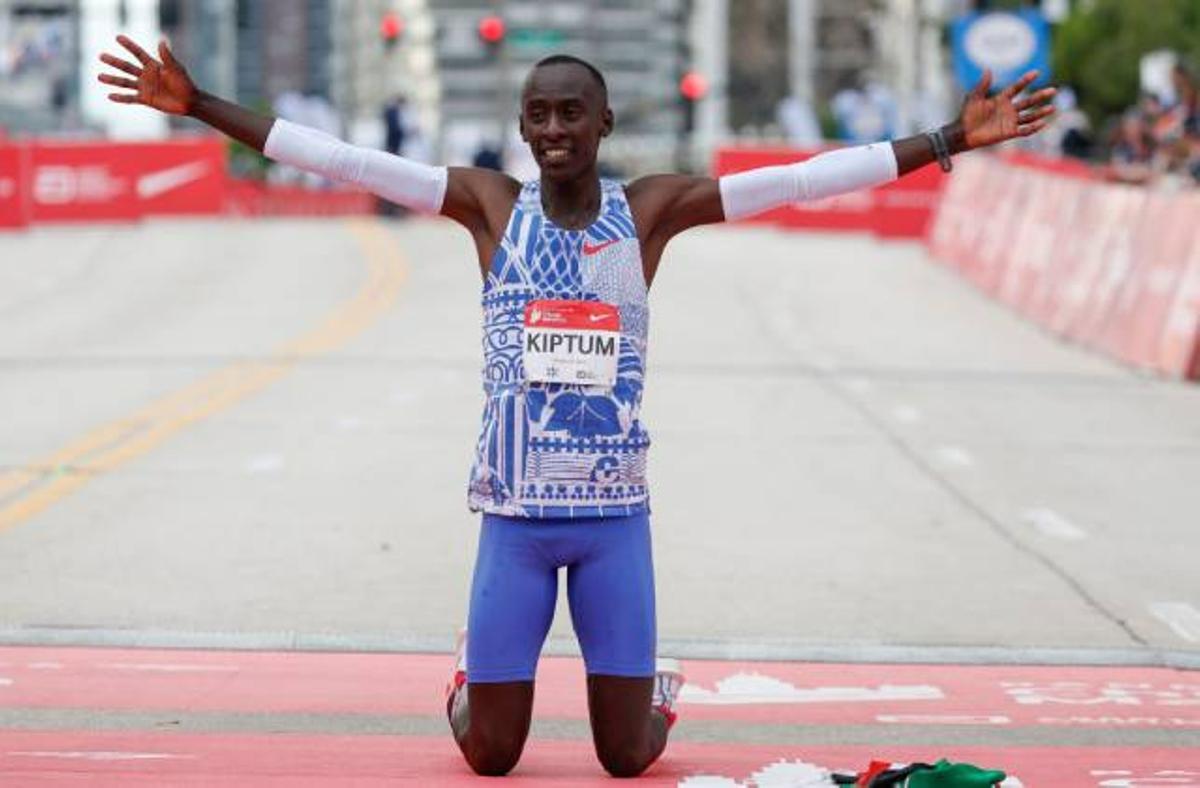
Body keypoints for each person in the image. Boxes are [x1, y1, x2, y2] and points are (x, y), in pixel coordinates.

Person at [97, 35, 1056, 778]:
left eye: (572, 115)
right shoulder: (483, 205)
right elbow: (342, 160)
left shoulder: (648, 212)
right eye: (538, 115)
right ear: (522, 128)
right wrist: (199, 109)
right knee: (491, 754)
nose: (554, 130)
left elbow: (799, 181)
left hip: (612, 526)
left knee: (627, 757)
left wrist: (945, 142)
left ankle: (655, 690)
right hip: (513, 523)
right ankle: (472, 675)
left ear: (604, 125)